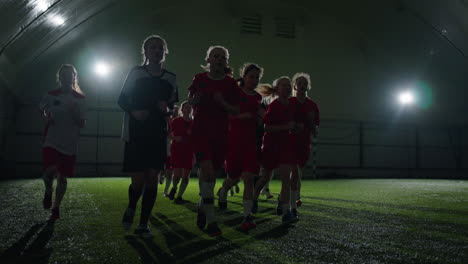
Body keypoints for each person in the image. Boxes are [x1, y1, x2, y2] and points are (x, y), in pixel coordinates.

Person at [118, 35, 178, 238]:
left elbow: (172, 105)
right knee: (138, 181)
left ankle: (143, 224)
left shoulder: (171, 77)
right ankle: (131, 206)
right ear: (145, 51)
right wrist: (134, 112)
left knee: (153, 179)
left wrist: (168, 108)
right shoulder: (136, 73)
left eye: (160, 48)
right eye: (152, 47)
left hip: (157, 134)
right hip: (137, 133)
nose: (156, 51)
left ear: (165, 51)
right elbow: (121, 100)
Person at [188, 45, 239, 236]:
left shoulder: (230, 84)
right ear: (208, 60)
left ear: (226, 62)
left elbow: (236, 110)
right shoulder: (199, 79)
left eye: (222, 57)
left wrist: (222, 103)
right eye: (215, 56)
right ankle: (212, 221)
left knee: (210, 175)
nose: (219, 60)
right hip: (201, 133)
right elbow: (190, 100)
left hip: (221, 135)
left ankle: (202, 204)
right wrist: (195, 100)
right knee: (208, 173)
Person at [217, 63, 265, 231]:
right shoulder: (235, 93)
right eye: (251, 76)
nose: (254, 80)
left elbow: (259, 116)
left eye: (257, 78)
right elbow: (227, 113)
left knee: (249, 178)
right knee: (234, 178)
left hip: (250, 142)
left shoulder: (258, 98)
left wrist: (261, 119)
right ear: (244, 77)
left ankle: (247, 216)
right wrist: (240, 116)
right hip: (234, 140)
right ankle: (223, 192)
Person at [39, 64, 86, 221]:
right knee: (50, 171)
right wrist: (46, 117)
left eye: (69, 75)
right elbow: (42, 108)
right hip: (51, 140)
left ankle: (56, 207)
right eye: (64, 75)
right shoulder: (51, 94)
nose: (67, 77)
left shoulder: (80, 99)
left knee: (62, 177)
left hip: (70, 143)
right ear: (59, 77)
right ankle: (47, 191)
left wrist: (75, 114)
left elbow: (82, 124)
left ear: (74, 77)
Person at [252, 76, 298, 223]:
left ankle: (285, 212)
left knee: (286, 180)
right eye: (283, 85)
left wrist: (297, 128)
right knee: (265, 177)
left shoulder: (292, 105)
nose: (286, 87)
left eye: (288, 85)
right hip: (271, 145)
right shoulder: (274, 105)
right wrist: (287, 127)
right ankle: (253, 198)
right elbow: (267, 127)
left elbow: (293, 124)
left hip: (286, 145)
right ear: (277, 89)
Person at [289, 73, 320, 217]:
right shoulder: (289, 102)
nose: (302, 85)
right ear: (295, 86)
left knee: (297, 173)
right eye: (299, 83)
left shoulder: (312, 106)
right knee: (294, 173)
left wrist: (312, 123)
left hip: (304, 144)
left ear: (308, 86)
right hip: (289, 142)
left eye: (304, 83)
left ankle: (291, 198)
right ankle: (291, 205)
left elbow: (316, 132)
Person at [167, 101, 193, 203]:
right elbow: (168, 134)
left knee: (186, 176)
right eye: (186, 107)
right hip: (177, 150)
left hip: (188, 150)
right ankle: (174, 187)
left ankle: (179, 196)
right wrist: (175, 137)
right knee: (177, 175)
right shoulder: (176, 121)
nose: (188, 109)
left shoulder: (193, 123)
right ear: (182, 110)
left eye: (190, 107)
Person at [162, 104, 179, 193]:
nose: (175, 112)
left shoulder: (179, 121)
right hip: (166, 146)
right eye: (174, 111)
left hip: (174, 149)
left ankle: (166, 190)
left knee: (170, 171)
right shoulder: (167, 121)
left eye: (177, 111)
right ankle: (161, 174)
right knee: (164, 168)